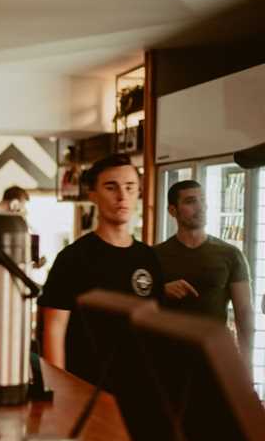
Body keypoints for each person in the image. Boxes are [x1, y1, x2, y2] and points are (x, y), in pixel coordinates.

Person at [38, 154, 164, 385]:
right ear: (92, 194)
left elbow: (153, 328)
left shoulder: (148, 257)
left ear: (138, 192)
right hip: (85, 389)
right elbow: (53, 329)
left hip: (138, 389)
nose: (122, 196)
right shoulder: (73, 258)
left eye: (129, 187)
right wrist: (57, 390)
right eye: (111, 187)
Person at [154, 180, 254, 372]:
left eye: (203, 201)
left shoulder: (231, 255)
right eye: (191, 201)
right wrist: (160, 291)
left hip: (215, 360)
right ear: (172, 211)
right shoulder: (154, 256)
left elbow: (244, 312)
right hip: (166, 361)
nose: (200, 208)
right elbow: (136, 306)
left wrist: (247, 364)